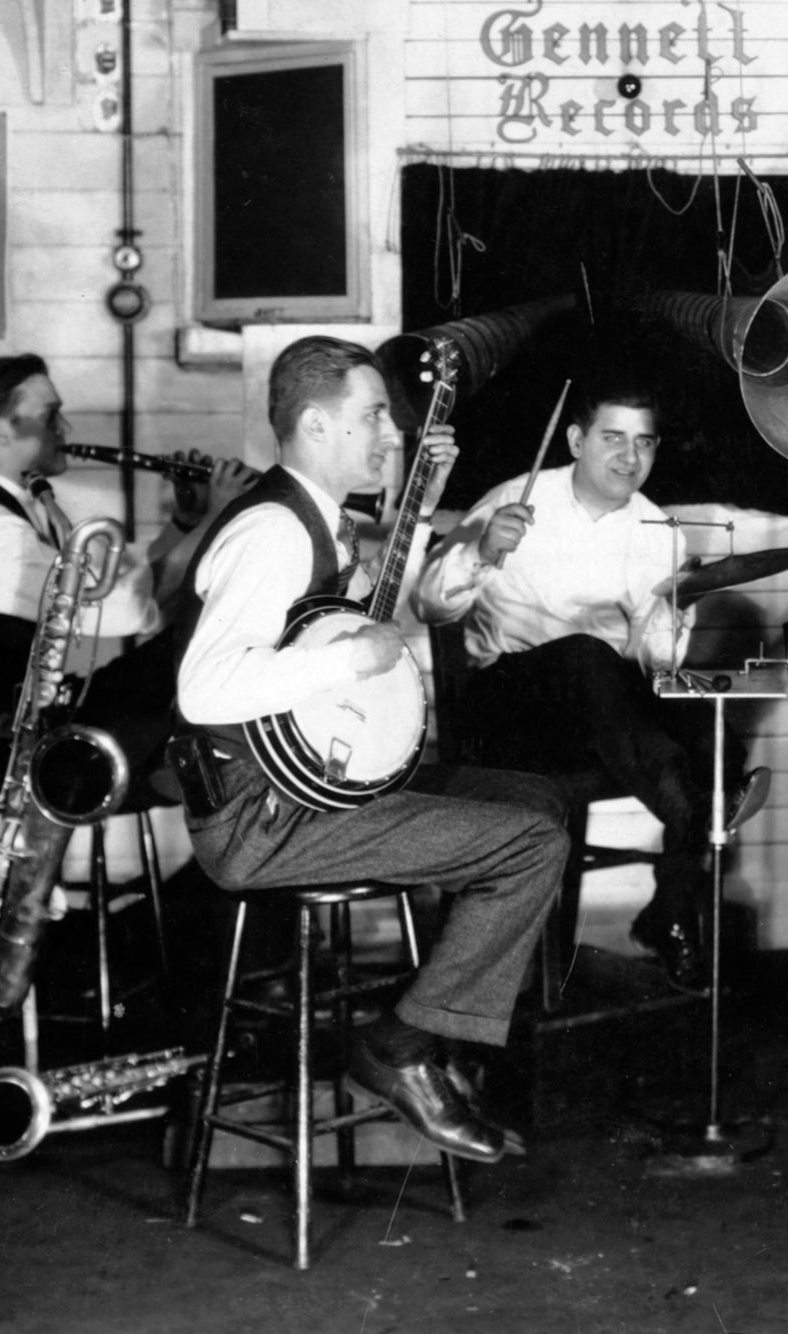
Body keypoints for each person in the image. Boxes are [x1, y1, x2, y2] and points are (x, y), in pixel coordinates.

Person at [169, 335, 570, 1165]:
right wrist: (351, 660)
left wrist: (424, 502)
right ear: (316, 425)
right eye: (374, 415)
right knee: (534, 843)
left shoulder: (321, 518)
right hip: (264, 820)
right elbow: (204, 689)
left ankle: (435, 1039)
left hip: (306, 791)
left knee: (537, 802)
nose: (391, 430)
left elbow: (376, 611)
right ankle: (402, 1049)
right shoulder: (274, 532)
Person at [413, 383, 750, 991]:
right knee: (585, 656)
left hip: (605, 721)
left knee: (712, 727)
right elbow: (430, 604)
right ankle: (691, 811)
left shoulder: (658, 529)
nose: (629, 457)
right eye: (613, 438)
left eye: (643, 442)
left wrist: (679, 607)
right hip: (510, 714)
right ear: (576, 440)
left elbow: (656, 663)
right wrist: (484, 551)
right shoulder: (514, 499)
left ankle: (670, 909)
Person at [0, 353, 251, 809]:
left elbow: (124, 591)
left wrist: (186, 524)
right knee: (204, 644)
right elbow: (130, 610)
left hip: (28, 720)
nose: (64, 429)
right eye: (49, 416)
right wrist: (217, 519)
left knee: (203, 739)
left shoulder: (26, 510)